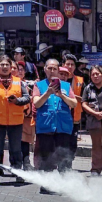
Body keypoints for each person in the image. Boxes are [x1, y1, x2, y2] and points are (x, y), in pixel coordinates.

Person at [0, 55, 31, 185]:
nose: (4, 67)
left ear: (11, 67)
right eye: (2, 65)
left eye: (7, 65)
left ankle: (17, 173)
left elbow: (27, 98)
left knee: (15, 149)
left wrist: (17, 101)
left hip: (15, 122)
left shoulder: (18, 81)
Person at [32, 59, 77, 193]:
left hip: (63, 127)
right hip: (45, 127)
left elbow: (74, 104)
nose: (52, 71)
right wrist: (48, 93)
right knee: (46, 157)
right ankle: (47, 185)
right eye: (49, 68)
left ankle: (65, 185)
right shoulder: (38, 85)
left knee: (64, 157)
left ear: (58, 70)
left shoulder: (66, 86)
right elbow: (37, 104)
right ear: (44, 69)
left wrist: (62, 95)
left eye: (54, 68)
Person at [81, 66, 102, 176]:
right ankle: (96, 169)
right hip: (94, 120)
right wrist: (95, 113)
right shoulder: (88, 88)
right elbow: (83, 103)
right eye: (93, 74)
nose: (95, 76)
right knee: (96, 146)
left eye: (97, 74)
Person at [61, 54, 84, 171]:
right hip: (60, 117)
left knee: (72, 144)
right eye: (67, 64)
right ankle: (61, 165)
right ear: (63, 65)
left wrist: (73, 97)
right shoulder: (57, 79)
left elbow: (85, 98)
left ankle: (68, 165)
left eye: (72, 64)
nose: (69, 67)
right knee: (61, 142)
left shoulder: (80, 80)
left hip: (74, 117)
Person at [15, 61, 35, 170]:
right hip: (14, 115)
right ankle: (16, 164)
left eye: (22, 69)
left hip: (26, 116)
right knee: (16, 141)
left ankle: (26, 162)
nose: (20, 71)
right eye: (18, 69)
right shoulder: (11, 83)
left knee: (26, 139)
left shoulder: (30, 84)